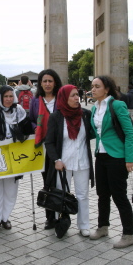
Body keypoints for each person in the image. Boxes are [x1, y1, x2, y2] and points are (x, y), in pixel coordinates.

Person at [0, 86, 33, 234]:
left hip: (14, 159)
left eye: (11, 96)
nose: (8, 99)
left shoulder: (19, 112)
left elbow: (29, 130)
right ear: (0, 97)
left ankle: (5, 218)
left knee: (10, 190)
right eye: (5, 96)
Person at [89, 75, 133, 249]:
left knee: (119, 196)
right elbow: (97, 132)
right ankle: (103, 227)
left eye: (97, 86)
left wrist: (129, 159)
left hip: (117, 157)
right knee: (102, 194)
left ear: (107, 89)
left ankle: (129, 234)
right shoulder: (95, 108)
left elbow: (129, 133)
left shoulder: (117, 105)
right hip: (100, 156)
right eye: (92, 86)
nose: (93, 89)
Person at [45, 85, 94, 237]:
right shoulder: (56, 117)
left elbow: (94, 132)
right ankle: (61, 223)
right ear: (64, 98)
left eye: (77, 95)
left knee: (83, 194)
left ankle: (84, 225)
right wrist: (56, 160)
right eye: (72, 95)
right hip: (63, 163)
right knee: (61, 195)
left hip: (82, 162)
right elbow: (49, 142)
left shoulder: (85, 114)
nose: (76, 98)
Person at [28, 69, 62, 230]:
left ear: (55, 82)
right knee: (47, 182)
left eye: (50, 81)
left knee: (60, 182)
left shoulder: (61, 99)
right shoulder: (35, 101)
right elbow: (31, 120)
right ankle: (50, 217)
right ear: (39, 83)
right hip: (42, 147)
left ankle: (62, 214)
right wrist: (36, 127)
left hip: (60, 146)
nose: (47, 84)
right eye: (44, 81)